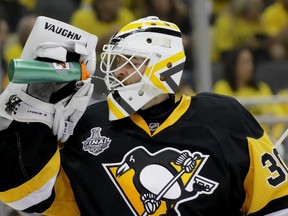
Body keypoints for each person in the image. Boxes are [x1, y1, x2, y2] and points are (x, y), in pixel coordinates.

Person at [0, 16, 288, 216]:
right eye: (117, 61)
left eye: (132, 61)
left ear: (165, 67)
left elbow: (276, 203)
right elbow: (25, 197)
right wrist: (32, 117)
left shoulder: (224, 117)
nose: (120, 71)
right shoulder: (87, 124)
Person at [213, 46, 283, 139]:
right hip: (234, 140)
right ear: (234, 65)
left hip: (263, 140)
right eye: (245, 62)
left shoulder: (262, 88)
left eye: (251, 61)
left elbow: (274, 116)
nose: (250, 66)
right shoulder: (222, 87)